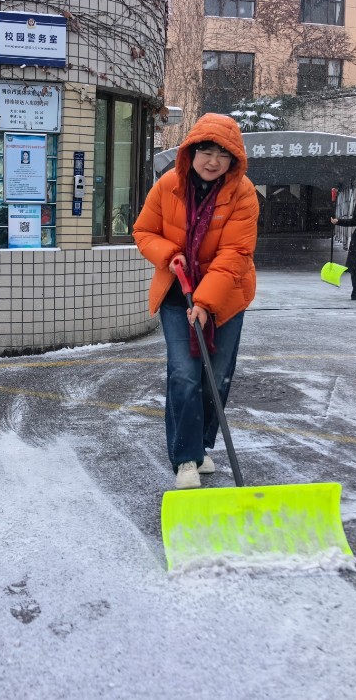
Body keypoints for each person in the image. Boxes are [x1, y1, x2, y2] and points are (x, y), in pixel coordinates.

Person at [133, 113, 259, 490]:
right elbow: (144, 231)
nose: (213, 161)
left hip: (227, 295)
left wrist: (204, 302)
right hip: (177, 295)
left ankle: (201, 445)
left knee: (215, 377)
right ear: (191, 151)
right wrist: (170, 253)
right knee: (185, 375)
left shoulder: (243, 193)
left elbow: (236, 253)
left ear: (234, 159)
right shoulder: (169, 185)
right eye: (206, 151)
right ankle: (186, 457)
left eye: (223, 154)